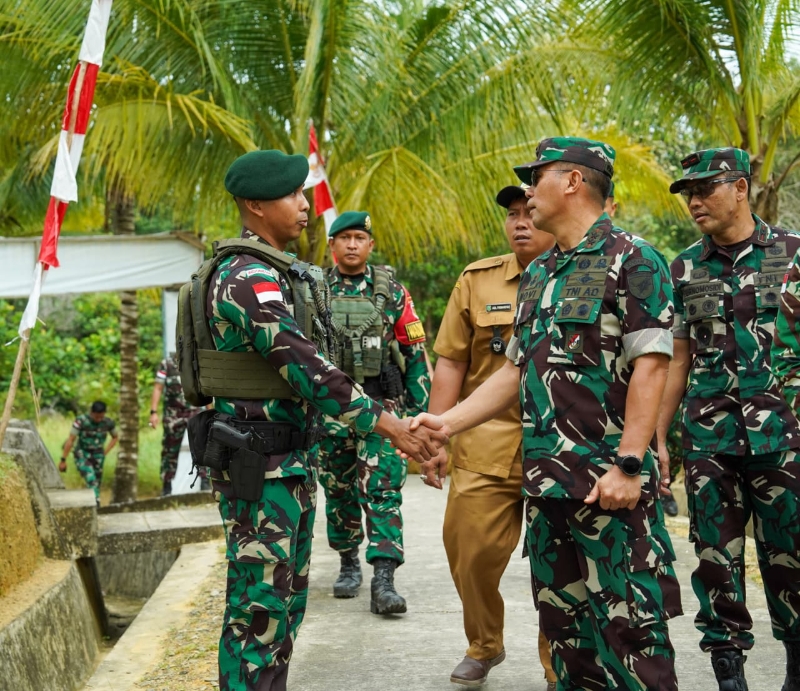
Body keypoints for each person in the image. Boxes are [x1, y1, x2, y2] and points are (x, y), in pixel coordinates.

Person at [414, 137, 682, 690]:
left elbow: (652, 366)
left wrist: (628, 465)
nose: (529, 192)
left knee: (632, 636)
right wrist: (446, 423)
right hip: (547, 488)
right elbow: (516, 372)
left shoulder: (633, 259)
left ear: (574, 182)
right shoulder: (541, 275)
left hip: (607, 486)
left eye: (538, 178)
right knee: (567, 638)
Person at [202, 149, 444, 691]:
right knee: (258, 614)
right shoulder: (248, 277)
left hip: (284, 464)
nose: (305, 205)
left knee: (283, 610)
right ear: (256, 205)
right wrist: (390, 425)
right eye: (293, 195)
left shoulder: (278, 274)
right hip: (258, 466)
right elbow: (308, 369)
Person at [656, 147, 800, 691]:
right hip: (709, 438)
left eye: (705, 189)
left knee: (791, 556)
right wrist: (657, 437)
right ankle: (728, 673)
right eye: (688, 194)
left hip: (786, 437)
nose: (695, 202)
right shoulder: (684, 266)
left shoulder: (793, 254)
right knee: (715, 560)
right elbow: (678, 358)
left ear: (740, 188)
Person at [427, 184, 556, 688]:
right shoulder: (477, 279)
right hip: (485, 438)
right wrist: (435, 438)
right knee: (470, 551)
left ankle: (556, 661)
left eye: (529, 212)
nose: (520, 222)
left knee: (558, 565)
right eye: (511, 215)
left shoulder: (586, 275)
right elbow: (451, 362)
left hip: (563, 443)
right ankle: (485, 643)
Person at [317, 211, 431, 614]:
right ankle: (348, 562)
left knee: (383, 491)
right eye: (344, 237)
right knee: (338, 489)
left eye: (359, 238)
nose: (351, 245)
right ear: (331, 245)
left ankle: (384, 579)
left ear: (371, 245)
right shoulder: (313, 289)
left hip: (383, 409)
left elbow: (415, 354)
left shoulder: (392, 291)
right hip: (331, 412)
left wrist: (420, 416)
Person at [149, 354, 207, 495]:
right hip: (173, 413)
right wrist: (153, 412)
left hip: (195, 411)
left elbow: (205, 387)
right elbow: (158, 387)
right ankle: (166, 484)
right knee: (169, 449)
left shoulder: (196, 360)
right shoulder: (167, 364)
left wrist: (211, 411)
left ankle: (205, 480)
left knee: (201, 446)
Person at [59, 400, 118, 504]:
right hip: (82, 454)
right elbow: (71, 440)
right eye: (96, 417)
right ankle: (96, 504)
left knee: (96, 483)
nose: (99, 420)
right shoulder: (81, 421)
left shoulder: (108, 422)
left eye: (101, 417)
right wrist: (63, 459)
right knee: (91, 479)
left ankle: (92, 504)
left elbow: (115, 437)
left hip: (98, 455)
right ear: (91, 413)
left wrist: (105, 452)